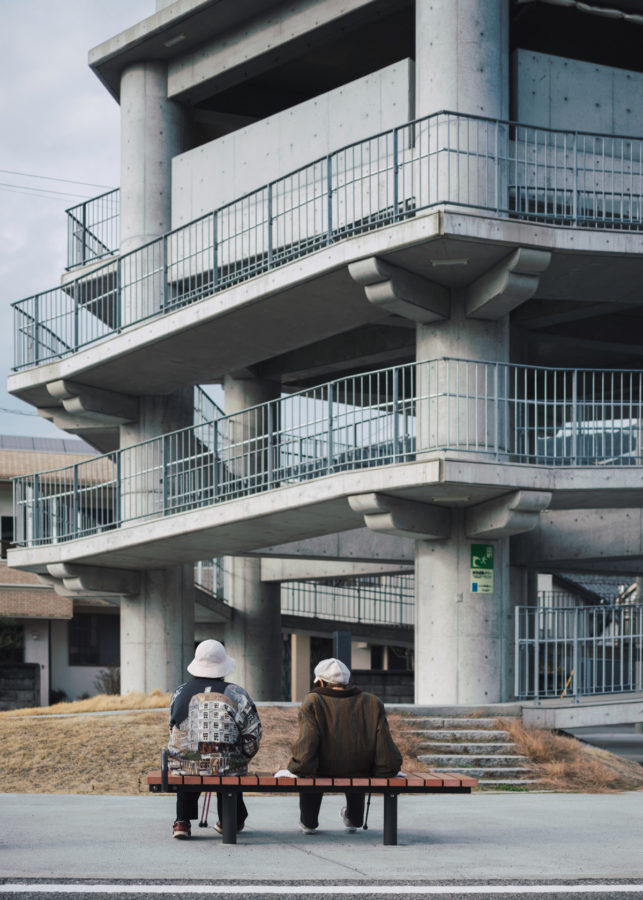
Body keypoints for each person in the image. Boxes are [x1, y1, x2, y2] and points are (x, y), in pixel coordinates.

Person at [287, 657, 402, 834]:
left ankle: (308, 822)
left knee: (309, 770)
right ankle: (354, 818)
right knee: (357, 771)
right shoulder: (372, 701)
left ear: (322, 682)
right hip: (360, 769)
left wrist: (296, 767)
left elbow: (307, 743)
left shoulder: (313, 701)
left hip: (322, 770)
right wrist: (385, 770)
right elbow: (384, 742)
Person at [168, 639, 262, 839]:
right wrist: (243, 756)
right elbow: (253, 735)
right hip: (226, 766)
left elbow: (172, 728)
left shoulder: (179, 692)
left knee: (188, 761)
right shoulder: (237, 694)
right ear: (223, 667)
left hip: (184, 764)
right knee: (228, 763)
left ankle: (182, 822)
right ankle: (232, 820)